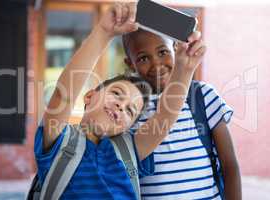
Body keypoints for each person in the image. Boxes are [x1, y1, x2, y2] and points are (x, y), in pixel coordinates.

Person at [34, 2, 205, 200]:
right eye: (116, 93)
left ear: (129, 126)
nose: (121, 106)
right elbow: (64, 95)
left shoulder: (129, 150)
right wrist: (103, 32)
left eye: (131, 111)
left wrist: (184, 68)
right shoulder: (58, 140)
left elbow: (166, 115)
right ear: (89, 97)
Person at [122, 28, 241, 199]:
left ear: (176, 47)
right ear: (130, 64)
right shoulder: (128, 109)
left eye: (162, 52)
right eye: (143, 58)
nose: (156, 64)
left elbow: (229, 165)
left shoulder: (202, 96)